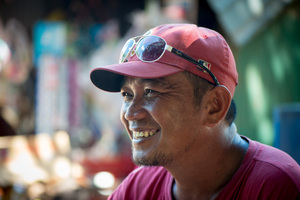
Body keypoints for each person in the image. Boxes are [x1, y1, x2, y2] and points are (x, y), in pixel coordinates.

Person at [90, 24, 300, 200]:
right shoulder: (137, 190)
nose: (130, 113)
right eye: (127, 95)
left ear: (214, 106)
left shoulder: (276, 186)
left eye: (151, 92)